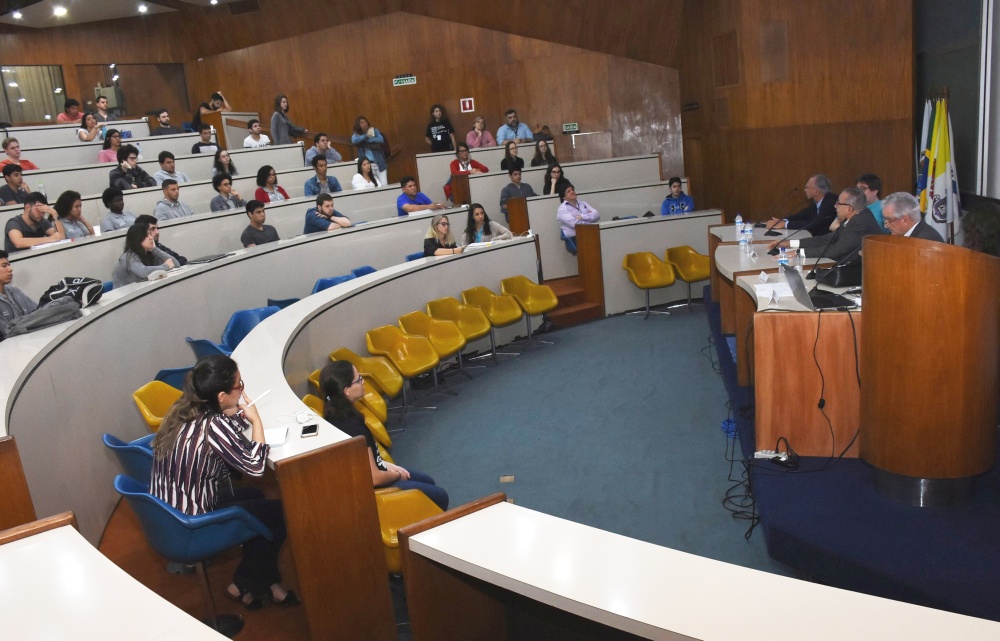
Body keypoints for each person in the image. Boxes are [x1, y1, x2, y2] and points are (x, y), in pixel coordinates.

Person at [151, 355, 300, 609]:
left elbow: (221, 433)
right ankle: (249, 582)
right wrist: (255, 420)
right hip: (192, 519)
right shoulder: (213, 425)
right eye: (239, 386)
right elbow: (254, 465)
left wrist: (237, 416)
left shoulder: (184, 410)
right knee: (279, 515)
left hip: (167, 511)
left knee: (258, 498)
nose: (242, 390)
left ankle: (252, 583)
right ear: (221, 397)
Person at [320, 360, 448, 510]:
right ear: (347, 390)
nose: (363, 382)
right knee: (440, 497)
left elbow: (371, 459)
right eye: (359, 380)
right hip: (377, 486)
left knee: (428, 481)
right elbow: (375, 478)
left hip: (377, 470)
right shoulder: (353, 428)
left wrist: (393, 467)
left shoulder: (334, 416)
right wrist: (397, 475)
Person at [770, 187, 882, 261]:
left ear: (848, 209)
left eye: (838, 204)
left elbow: (835, 250)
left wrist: (797, 253)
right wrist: (789, 243)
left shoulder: (860, 223)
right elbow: (827, 239)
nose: (835, 206)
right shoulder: (855, 216)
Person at [766, 174, 837, 236]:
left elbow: (815, 224)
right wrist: (782, 221)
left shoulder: (830, 202)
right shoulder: (816, 203)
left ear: (816, 191)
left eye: (807, 187)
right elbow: (801, 216)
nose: (805, 190)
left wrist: (785, 224)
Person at [112, 222, 175, 287]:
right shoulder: (127, 257)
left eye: (150, 234)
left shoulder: (150, 253)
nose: (151, 238)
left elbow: (175, 264)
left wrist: (155, 249)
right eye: (146, 235)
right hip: (125, 295)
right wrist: (166, 266)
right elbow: (143, 272)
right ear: (137, 239)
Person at [0, 249, 38, 324]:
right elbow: (7, 331)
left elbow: (37, 312)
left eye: (9, 265)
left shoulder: (14, 291)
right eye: (4, 266)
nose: (10, 269)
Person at [351, 115, 388, 186]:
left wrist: (369, 139)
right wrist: (365, 136)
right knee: (373, 185)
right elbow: (354, 140)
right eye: (362, 123)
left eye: (365, 122)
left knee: (384, 185)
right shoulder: (357, 134)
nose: (364, 123)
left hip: (379, 162)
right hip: (368, 164)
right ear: (358, 125)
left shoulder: (374, 130)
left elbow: (381, 139)